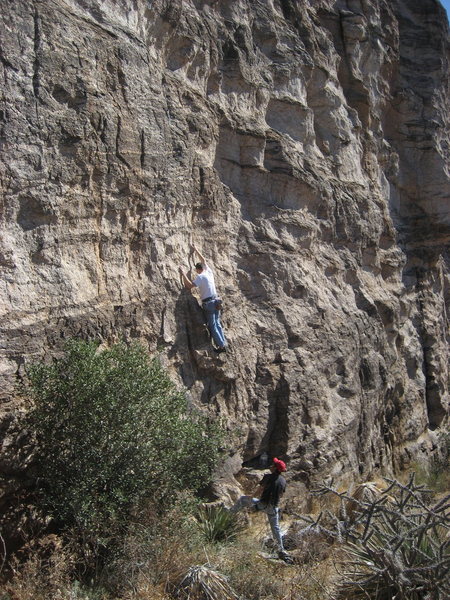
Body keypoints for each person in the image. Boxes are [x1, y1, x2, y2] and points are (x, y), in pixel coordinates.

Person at [230, 458, 293, 563]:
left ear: (274, 468)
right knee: (275, 528)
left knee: (242, 500)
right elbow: (281, 494)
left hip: (262, 504)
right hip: (273, 507)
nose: (271, 465)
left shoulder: (268, 477)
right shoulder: (283, 481)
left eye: (273, 464)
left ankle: (229, 514)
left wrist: (251, 498)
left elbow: (260, 489)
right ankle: (281, 549)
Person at [179, 245, 227, 353]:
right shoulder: (208, 271)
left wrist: (183, 274)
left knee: (213, 326)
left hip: (209, 303)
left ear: (198, 269)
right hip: (216, 301)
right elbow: (203, 260)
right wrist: (196, 249)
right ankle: (223, 343)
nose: (196, 272)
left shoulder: (201, 276)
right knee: (218, 324)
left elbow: (190, 285)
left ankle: (221, 346)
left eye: (196, 270)